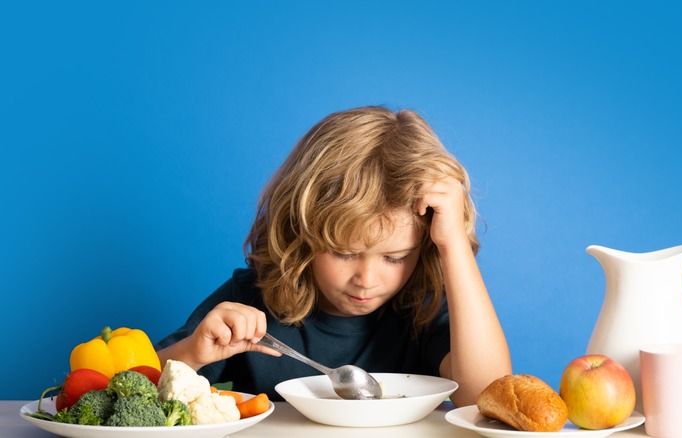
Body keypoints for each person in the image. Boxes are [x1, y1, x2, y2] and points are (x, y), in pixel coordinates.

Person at [155, 106, 512, 406]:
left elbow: (485, 394)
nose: (367, 280)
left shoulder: (424, 303)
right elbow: (133, 389)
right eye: (344, 253)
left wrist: (454, 245)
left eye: (395, 257)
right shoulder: (250, 296)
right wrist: (192, 353)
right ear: (301, 232)